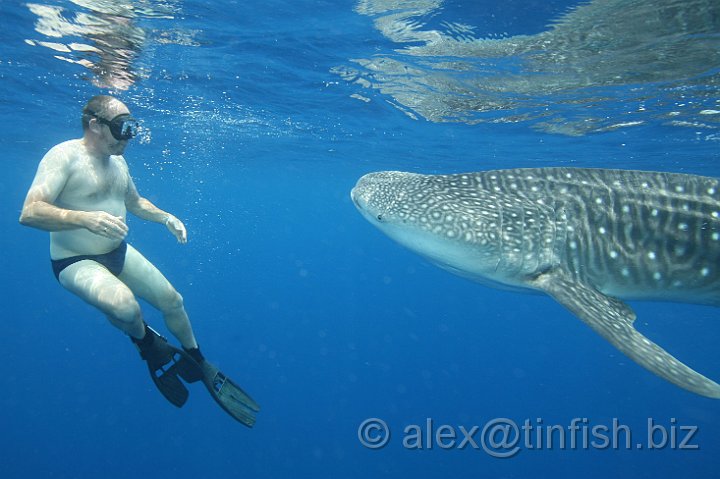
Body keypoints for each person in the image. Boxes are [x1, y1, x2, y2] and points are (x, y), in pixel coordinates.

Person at [19, 95, 259, 426]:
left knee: (173, 300)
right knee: (126, 308)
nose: (130, 136)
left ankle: (197, 360)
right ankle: (147, 342)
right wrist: (84, 219)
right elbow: (30, 212)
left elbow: (134, 201)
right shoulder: (63, 157)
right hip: (74, 260)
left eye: (134, 127)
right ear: (95, 125)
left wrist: (165, 218)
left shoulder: (117, 162)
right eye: (123, 127)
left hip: (116, 250)